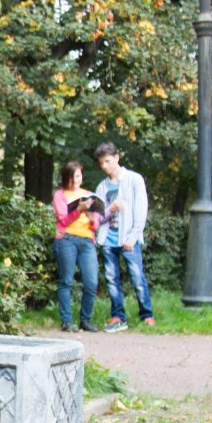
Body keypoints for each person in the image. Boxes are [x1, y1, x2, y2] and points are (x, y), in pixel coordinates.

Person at [93, 142, 155, 332]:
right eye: (101, 163)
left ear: (117, 158)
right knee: (112, 280)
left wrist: (133, 236)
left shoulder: (134, 180)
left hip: (128, 239)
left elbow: (141, 210)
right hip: (108, 241)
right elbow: (97, 218)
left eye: (108, 161)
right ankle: (118, 317)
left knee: (137, 277)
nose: (104, 166)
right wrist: (110, 209)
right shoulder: (102, 187)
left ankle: (147, 315)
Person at [52, 160, 100, 333]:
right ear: (67, 178)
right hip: (66, 239)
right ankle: (67, 321)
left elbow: (96, 221)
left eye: (79, 175)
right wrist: (78, 210)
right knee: (66, 281)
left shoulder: (88, 194)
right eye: (73, 176)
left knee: (91, 282)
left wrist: (94, 220)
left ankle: (85, 320)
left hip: (87, 240)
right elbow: (63, 219)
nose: (77, 179)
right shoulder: (60, 195)